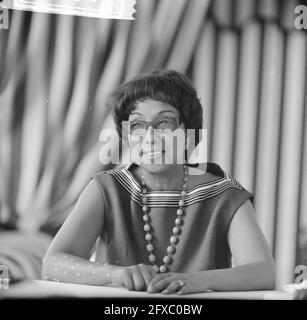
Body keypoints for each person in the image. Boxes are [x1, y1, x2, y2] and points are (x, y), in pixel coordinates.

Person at [42, 70, 275, 295]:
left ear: (189, 134)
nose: (150, 137)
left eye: (164, 123)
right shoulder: (106, 189)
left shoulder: (224, 195)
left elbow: (263, 273)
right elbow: (52, 265)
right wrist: (114, 274)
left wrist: (195, 281)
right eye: (137, 125)